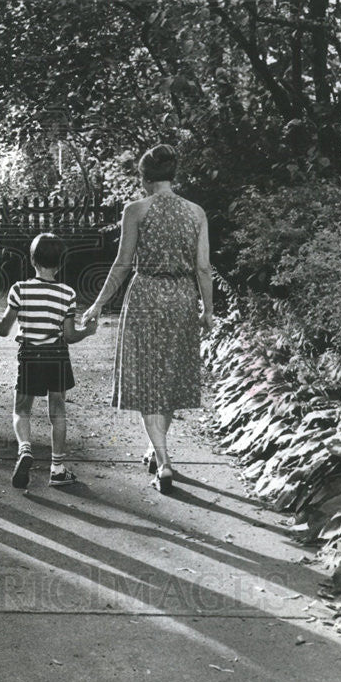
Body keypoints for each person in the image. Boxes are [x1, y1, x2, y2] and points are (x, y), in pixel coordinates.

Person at [82, 144, 213, 494]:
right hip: (183, 297)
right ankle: (158, 451)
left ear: (144, 179)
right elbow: (203, 267)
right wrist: (208, 309)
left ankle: (165, 462)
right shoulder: (196, 212)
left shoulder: (137, 210)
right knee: (168, 378)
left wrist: (97, 304)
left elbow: (123, 264)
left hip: (146, 297)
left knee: (147, 381)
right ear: (173, 175)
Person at [0, 232, 97, 489]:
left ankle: (25, 449)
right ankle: (57, 469)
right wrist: (88, 331)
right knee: (57, 411)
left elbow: (5, 329)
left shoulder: (20, 290)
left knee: (22, 410)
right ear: (61, 263)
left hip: (29, 355)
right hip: (57, 355)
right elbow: (69, 336)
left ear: (32, 260)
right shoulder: (67, 294)